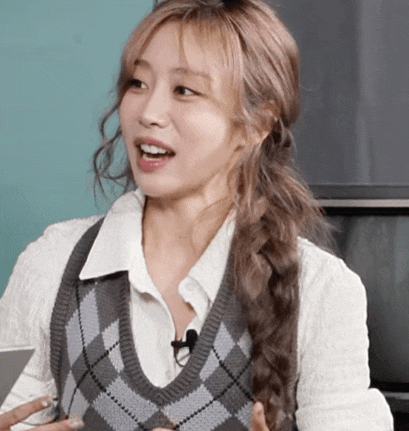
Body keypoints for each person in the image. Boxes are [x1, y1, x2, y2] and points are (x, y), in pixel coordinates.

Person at [0, 0, 394, 429]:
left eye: (184, 90)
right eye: (137, 83)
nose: (148, 113)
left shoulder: (322, 291)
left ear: (257, 123)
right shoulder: (50, 264)